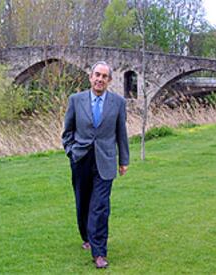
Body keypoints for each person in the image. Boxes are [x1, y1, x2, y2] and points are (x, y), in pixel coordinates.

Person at [62, 61, 130, 269]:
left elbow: (121, 133)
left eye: (104, 76)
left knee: (100, 206)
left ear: (109, 80)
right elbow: (68, 132)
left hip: (106, 160)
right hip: (81, 158)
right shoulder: (76, 100)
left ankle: (99, 252)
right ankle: (87, 236)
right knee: (83, 202)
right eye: (97, 75)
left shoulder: (118, 103)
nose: (100, 79)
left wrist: (124, 160)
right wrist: (71, 151)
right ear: (90, 77)